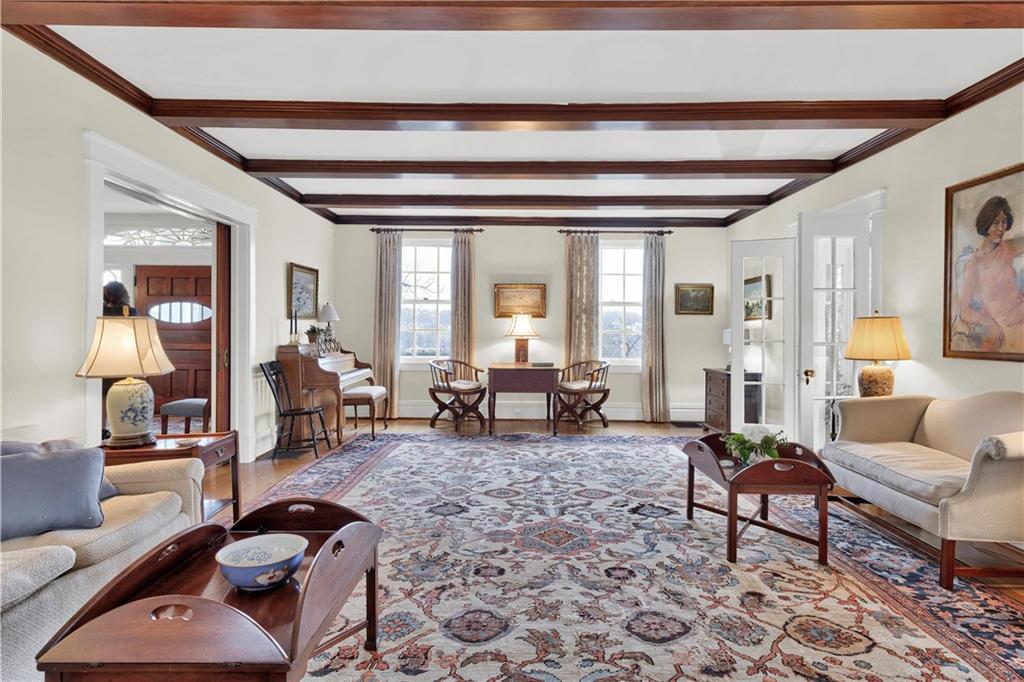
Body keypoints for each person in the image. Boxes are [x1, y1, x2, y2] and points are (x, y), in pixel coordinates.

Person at [958, 196, 1024, 353]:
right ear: (986, 223)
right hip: (1008, 327)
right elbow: (964, 311)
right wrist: (987, 322)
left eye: (1004, 222)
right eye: (996, 222)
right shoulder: (974, 264)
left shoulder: (1007, 247)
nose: (1001, 228)